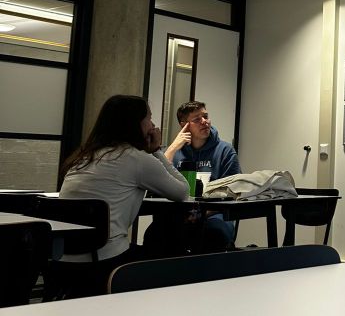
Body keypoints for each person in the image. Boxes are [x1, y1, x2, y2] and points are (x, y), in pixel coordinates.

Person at [57, 95, 189, 296]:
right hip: (106, 261)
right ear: (134, 123)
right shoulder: (135, 158)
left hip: (63, 259)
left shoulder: (84, 157)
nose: (153, 125)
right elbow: (182, 192)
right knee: (170, 247)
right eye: (148, 118)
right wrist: (156, 151)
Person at [162, 100, 242, 250]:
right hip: (180, 214)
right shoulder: (175, 152)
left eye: (205, 116)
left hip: (214, 214)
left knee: (213, 233)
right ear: (184, 125)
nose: (204, 122)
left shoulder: (225, 151)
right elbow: (158, 179)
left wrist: (201, 214)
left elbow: (234, 190)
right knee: (156, 233)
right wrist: (172, 148)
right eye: (197, 119)